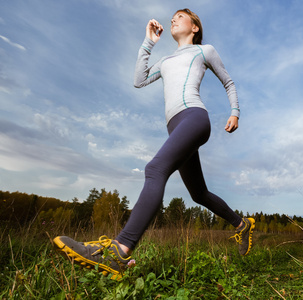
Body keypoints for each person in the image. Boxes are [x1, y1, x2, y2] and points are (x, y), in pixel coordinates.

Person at [53, 8, 255, 280]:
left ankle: (119, 251)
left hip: (194, 118)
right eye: (172, 17)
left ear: (194, 27)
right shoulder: (167, 60)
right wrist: (148, 42)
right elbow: (139, 80)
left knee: (155, 169)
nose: (173, 19)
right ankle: (241, 224)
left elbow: (228, 82)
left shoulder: (204, 50)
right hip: (176, 128)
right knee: (198, 193)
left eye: (180, 16)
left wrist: (235, 112)